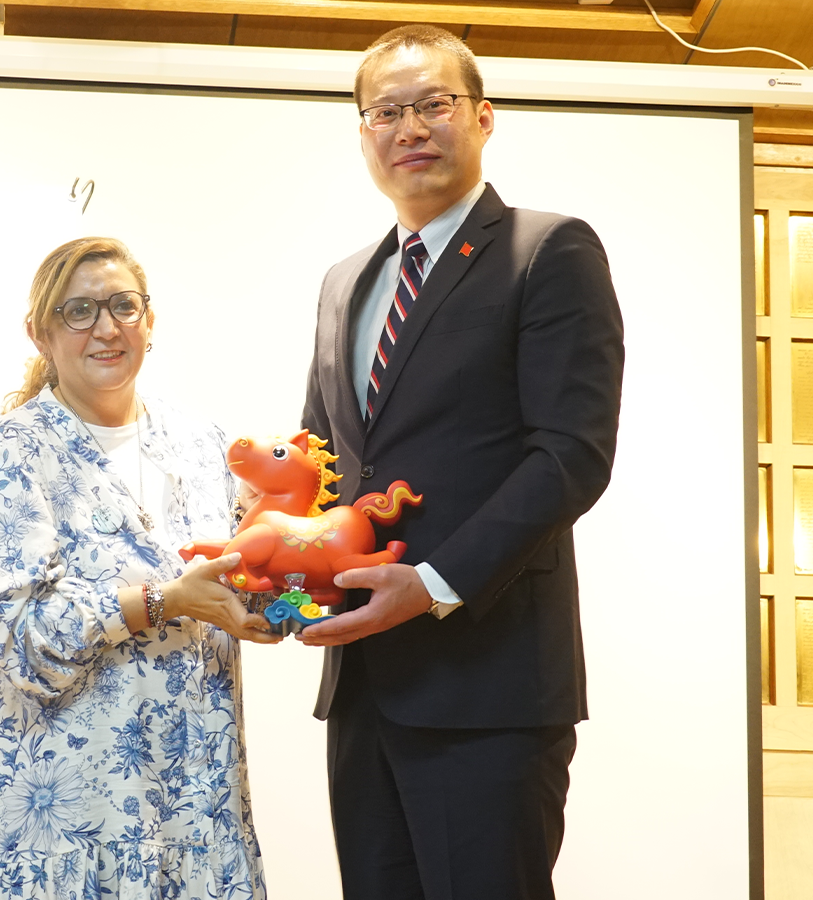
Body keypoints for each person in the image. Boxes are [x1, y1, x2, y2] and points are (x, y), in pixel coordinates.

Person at [295, 25, 625, 900]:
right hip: (363, 686)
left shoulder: (548, 250)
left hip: (490, 685)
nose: (410, 128)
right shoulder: (344, 282)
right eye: (386, 112)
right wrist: (278, 572)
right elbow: (321, 462)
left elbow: (572, 453)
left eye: (433, 104)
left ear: (482, 117)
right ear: (364, 133)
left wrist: (435, 583)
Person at [0, 237, 279, 899]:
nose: (106, 328)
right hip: (59, 827)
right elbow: (24, 642)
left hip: (192, 807)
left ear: (149, 320)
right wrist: (166, 599)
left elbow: (242, 582)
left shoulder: (204, 445)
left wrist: (289, 579)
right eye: (79, 311)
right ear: (40, 334)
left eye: (123, 305)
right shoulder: (9, 453)